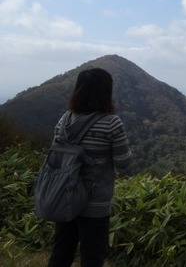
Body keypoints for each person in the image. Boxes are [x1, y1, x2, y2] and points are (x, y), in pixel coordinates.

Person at [47, 68, 132, 267]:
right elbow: (123, 164)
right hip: (94, 203)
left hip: (64, 196)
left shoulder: (65, 120)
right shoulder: (112, 123)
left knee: (61, 253)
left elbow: (55, 155)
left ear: (79, 90)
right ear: (106, 91)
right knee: (92, 257)